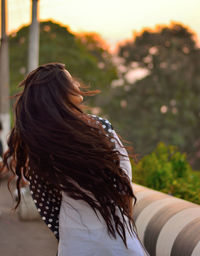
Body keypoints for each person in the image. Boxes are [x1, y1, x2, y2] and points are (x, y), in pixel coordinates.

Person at [0, 63, 148, 256]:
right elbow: (124, 184)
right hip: (116, 239)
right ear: (59, 92)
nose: (76, 84)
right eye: (70, 81)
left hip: (74, 242)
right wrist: (123, 224)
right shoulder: (99, 128)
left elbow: (46, 203)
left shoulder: (42, 144)